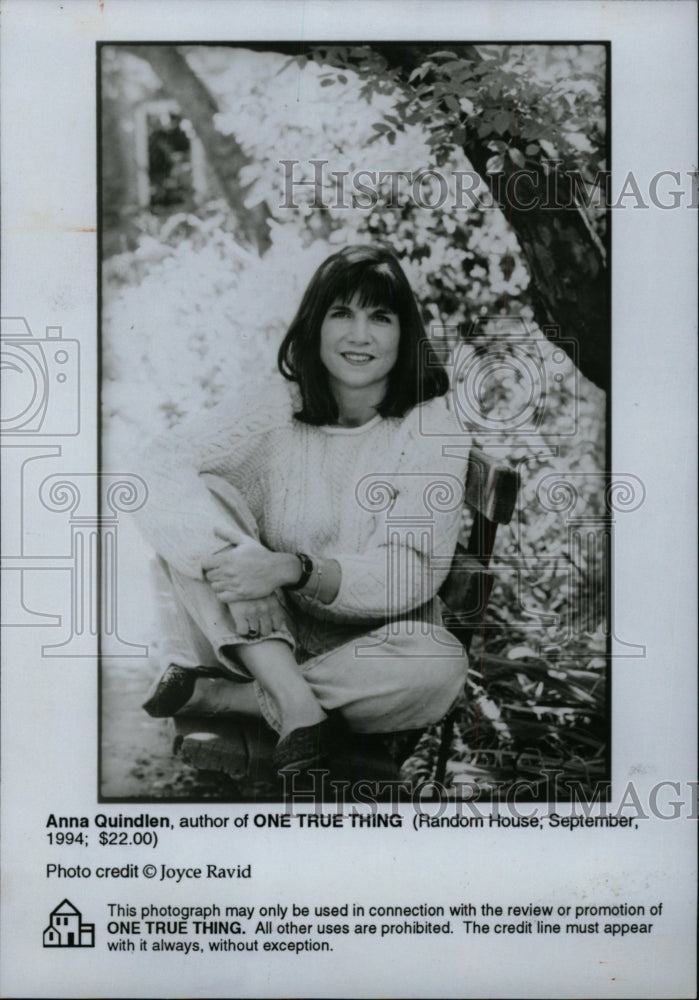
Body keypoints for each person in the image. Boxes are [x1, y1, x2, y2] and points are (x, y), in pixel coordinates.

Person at [134, 244, 471, 778]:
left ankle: (229, 698)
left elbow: (413, 570)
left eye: (379, 318)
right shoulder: (277, 405)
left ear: (404, 335)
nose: (359, 335)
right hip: (253, 631)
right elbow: (152, 468)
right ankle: (294, 700)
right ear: (315, 325)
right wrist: (247, 574)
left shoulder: (431, 430)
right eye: (342, 314)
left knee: (440, 662)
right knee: (197, 507)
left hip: (364, 646)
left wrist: (293, 569)